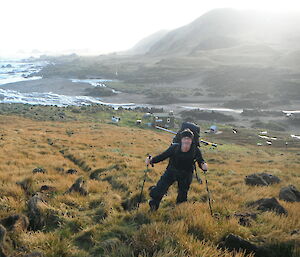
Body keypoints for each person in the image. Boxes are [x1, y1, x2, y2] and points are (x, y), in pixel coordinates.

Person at [146, 128, 208, 211]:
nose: (186, 140)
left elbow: (200, 161)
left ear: (191, 140)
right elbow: (163, 156)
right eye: (185, 138)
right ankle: (153, 206)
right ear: (181, 139)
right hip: (171, 171)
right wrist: (151, 160)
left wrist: (203, 165)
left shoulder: (195, 150)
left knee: (183, 194)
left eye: (188, 139)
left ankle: (179, 211)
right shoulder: (174, 147)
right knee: (160, 188)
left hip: (186, 174)